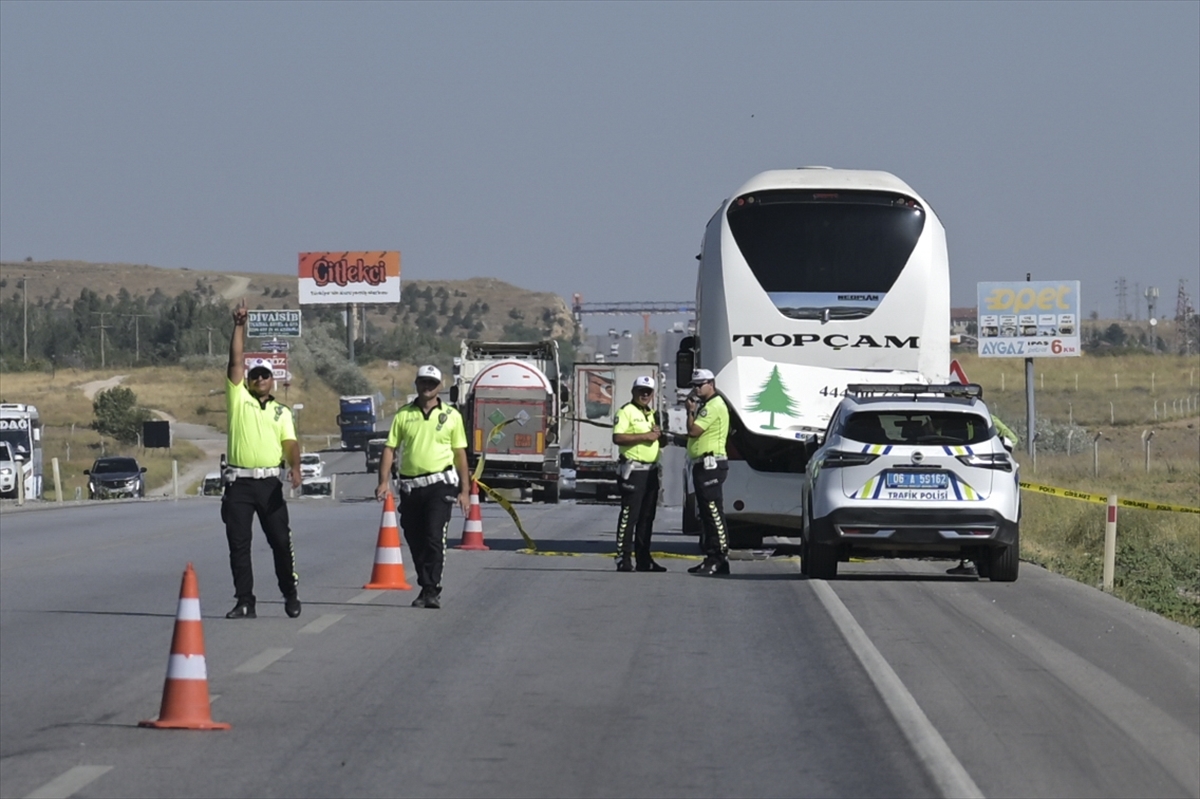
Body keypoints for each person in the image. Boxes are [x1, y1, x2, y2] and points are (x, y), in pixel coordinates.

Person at [222, 299, 303, 619]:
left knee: (281, 542)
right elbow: (235, 360)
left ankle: (290, 593)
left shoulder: (282, 412)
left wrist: (295, 467)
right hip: (239, 484)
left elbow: (291, 443)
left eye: (264, 377)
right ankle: (245, 600)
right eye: (254, 376)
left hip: (269, 484)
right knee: (239, 545)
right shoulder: (238, 399)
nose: (258, 380)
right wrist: (239, 325)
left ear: (273, 381)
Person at [376, 365, 470, 609]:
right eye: (422, 382)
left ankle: (431, 589)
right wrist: (383, 481)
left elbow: (460, 454)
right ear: (416, 385)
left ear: (440, 387)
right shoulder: (404, 415)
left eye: (432, 383)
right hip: (410, 486)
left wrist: (465, 491)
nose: (427, 387)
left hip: (440, 486)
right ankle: (424, 582)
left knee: (433, 536)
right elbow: (390, 448)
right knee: (414, 537)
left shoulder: (451, 416)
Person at [612, 375, 667, 572]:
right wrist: (646, 436)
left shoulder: (651, 414)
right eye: (641, 391)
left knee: (647, 517)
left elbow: (657, 440)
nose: (644, 395)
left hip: (651, 471)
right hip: (634, 470)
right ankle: (623, 557)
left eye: (648, 392)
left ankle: (644, 558)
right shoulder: (626, 411)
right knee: (630, 515)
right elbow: (618, 437)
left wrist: (660, 435)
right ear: (633, 392)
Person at [684, 368, 731, 576]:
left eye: (699, 385)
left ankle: (720, 557)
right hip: (702, 464)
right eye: (693, 385)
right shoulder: (708, 405)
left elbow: (694, 431)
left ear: (711, 384)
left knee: (713, 513)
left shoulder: (712, 406)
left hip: (711, 465)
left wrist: (690, 412)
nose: (695, 389)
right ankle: (712, 556)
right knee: (705, 514)